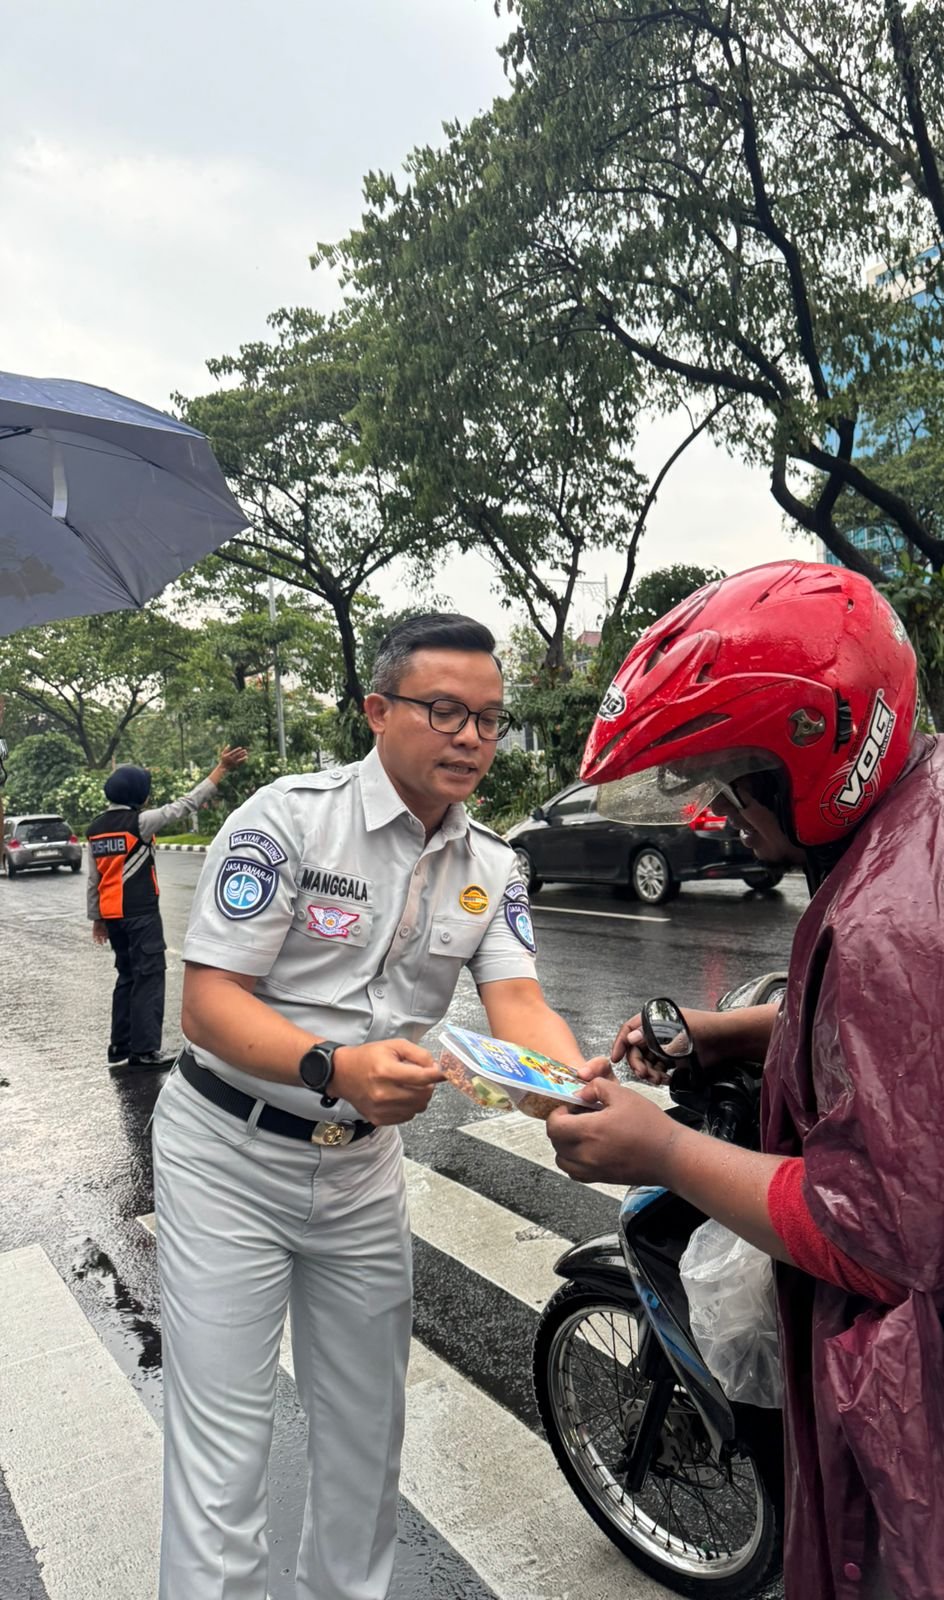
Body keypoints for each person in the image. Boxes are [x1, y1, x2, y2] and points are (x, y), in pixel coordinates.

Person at [546, 561, 944, 1599]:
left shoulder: (900, 912)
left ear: (808, 754)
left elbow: (874, 1236)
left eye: (731, 782)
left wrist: (657, 1146)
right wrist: (731, 1031)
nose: (728, 818)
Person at [152, 613, 585, 1600]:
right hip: (229, 1155)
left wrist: (577, 1091)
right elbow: (208, 1002)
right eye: (445, 711)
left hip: (359, 1171)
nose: (472, 736)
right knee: (224, 1460)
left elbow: (518, 1006)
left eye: (489, 717)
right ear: (378, 711)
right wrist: (331, 1064)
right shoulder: (287, 821)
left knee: (366, 1441)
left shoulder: (492, 867)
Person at [87, 747, 248, 1071]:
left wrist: (97, 920)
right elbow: (185, 805)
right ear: (136, 795)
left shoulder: (96, 828)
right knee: (148, 978)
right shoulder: (139, 822)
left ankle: (120, 1046)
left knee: (127, 978)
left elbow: (94, 879)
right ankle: (145, 1051)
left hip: (114, 917)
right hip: (140, 915)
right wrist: (221, 769)